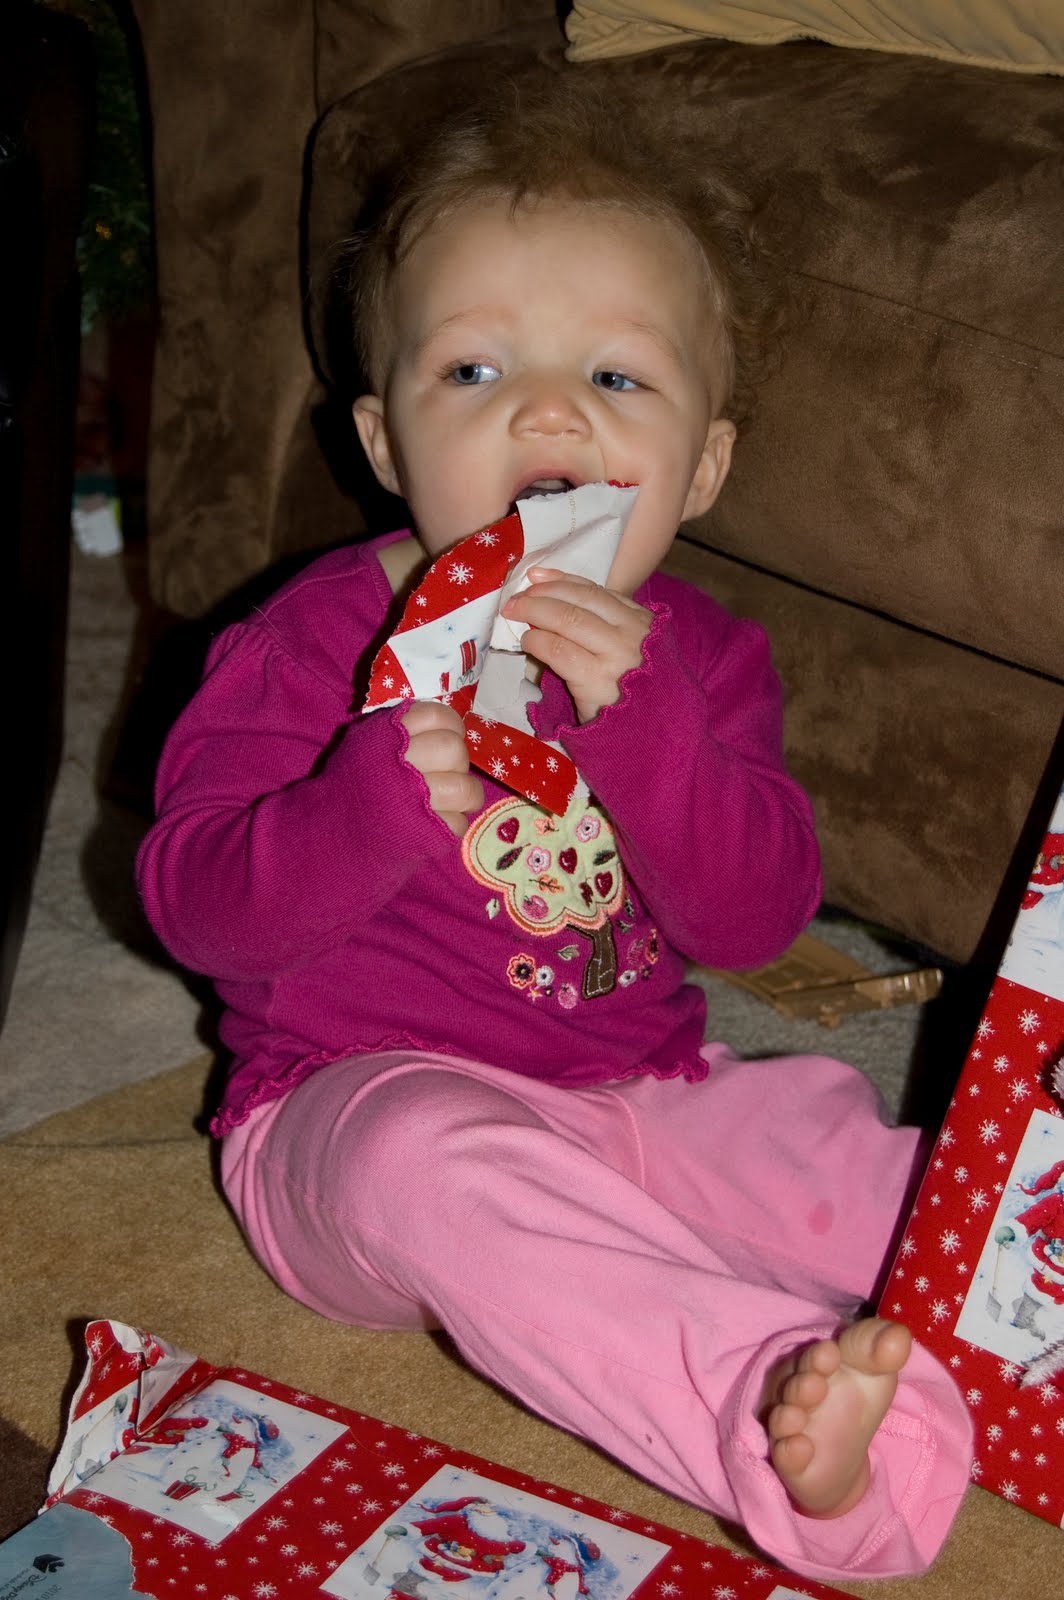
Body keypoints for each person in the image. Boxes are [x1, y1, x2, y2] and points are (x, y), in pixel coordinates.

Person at [136, 81, 972, 1582]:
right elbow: (195, 907)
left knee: (834, 1146)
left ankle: (1011, 1322)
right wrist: (362, 805)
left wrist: (655, 741)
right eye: (474, 367)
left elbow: (754, 920)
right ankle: (759, 1409)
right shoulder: (310, 643)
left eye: (616, 375)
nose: (547, 410)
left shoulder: (700, 662)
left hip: (635, 1082)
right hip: (347, 1102)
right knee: (439, 1175)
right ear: (385, 440)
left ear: (702, 469)